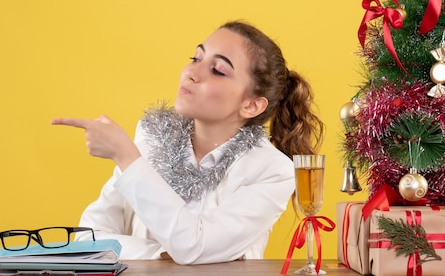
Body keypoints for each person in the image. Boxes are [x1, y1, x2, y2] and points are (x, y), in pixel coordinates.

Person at [51, 20, 324, 264]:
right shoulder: (150, 137)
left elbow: (194, 246)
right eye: (196, 58)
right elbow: (87, 241)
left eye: (218, 70)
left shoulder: (271, 170)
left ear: (252, 105)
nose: (192, 72)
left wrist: (126, 157)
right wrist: (159, 254)